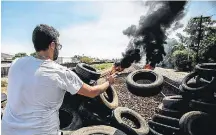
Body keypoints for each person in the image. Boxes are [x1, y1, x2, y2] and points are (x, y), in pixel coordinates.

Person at [1, 24, 116, 135]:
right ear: (52, 45)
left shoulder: (16, 63)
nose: (58, 49)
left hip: (7, 130)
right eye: (58, 46)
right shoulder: (60, 73)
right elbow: (92, 92)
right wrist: (108, 82)